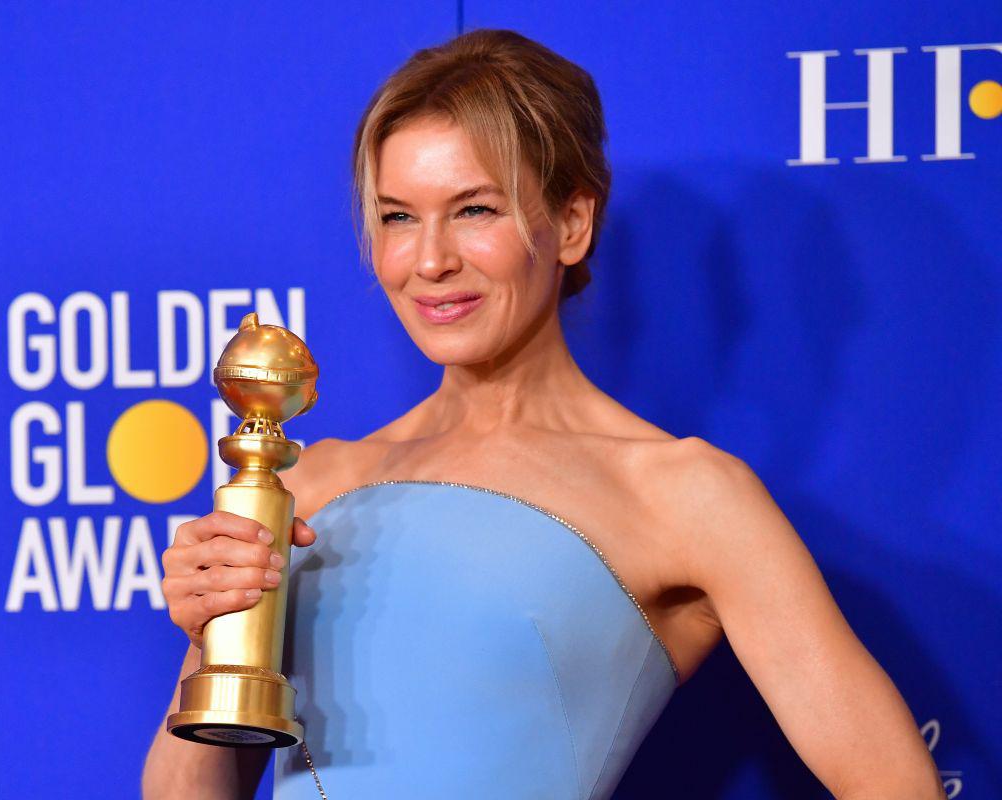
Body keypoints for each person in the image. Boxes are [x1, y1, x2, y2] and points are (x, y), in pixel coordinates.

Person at [142, 29, 943, 799]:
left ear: (571, 223)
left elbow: (894, 782)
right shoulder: (308, 482)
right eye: (397, 216)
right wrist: (207, 634)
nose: (429, 260)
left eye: (475, 210)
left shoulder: (685, 494)